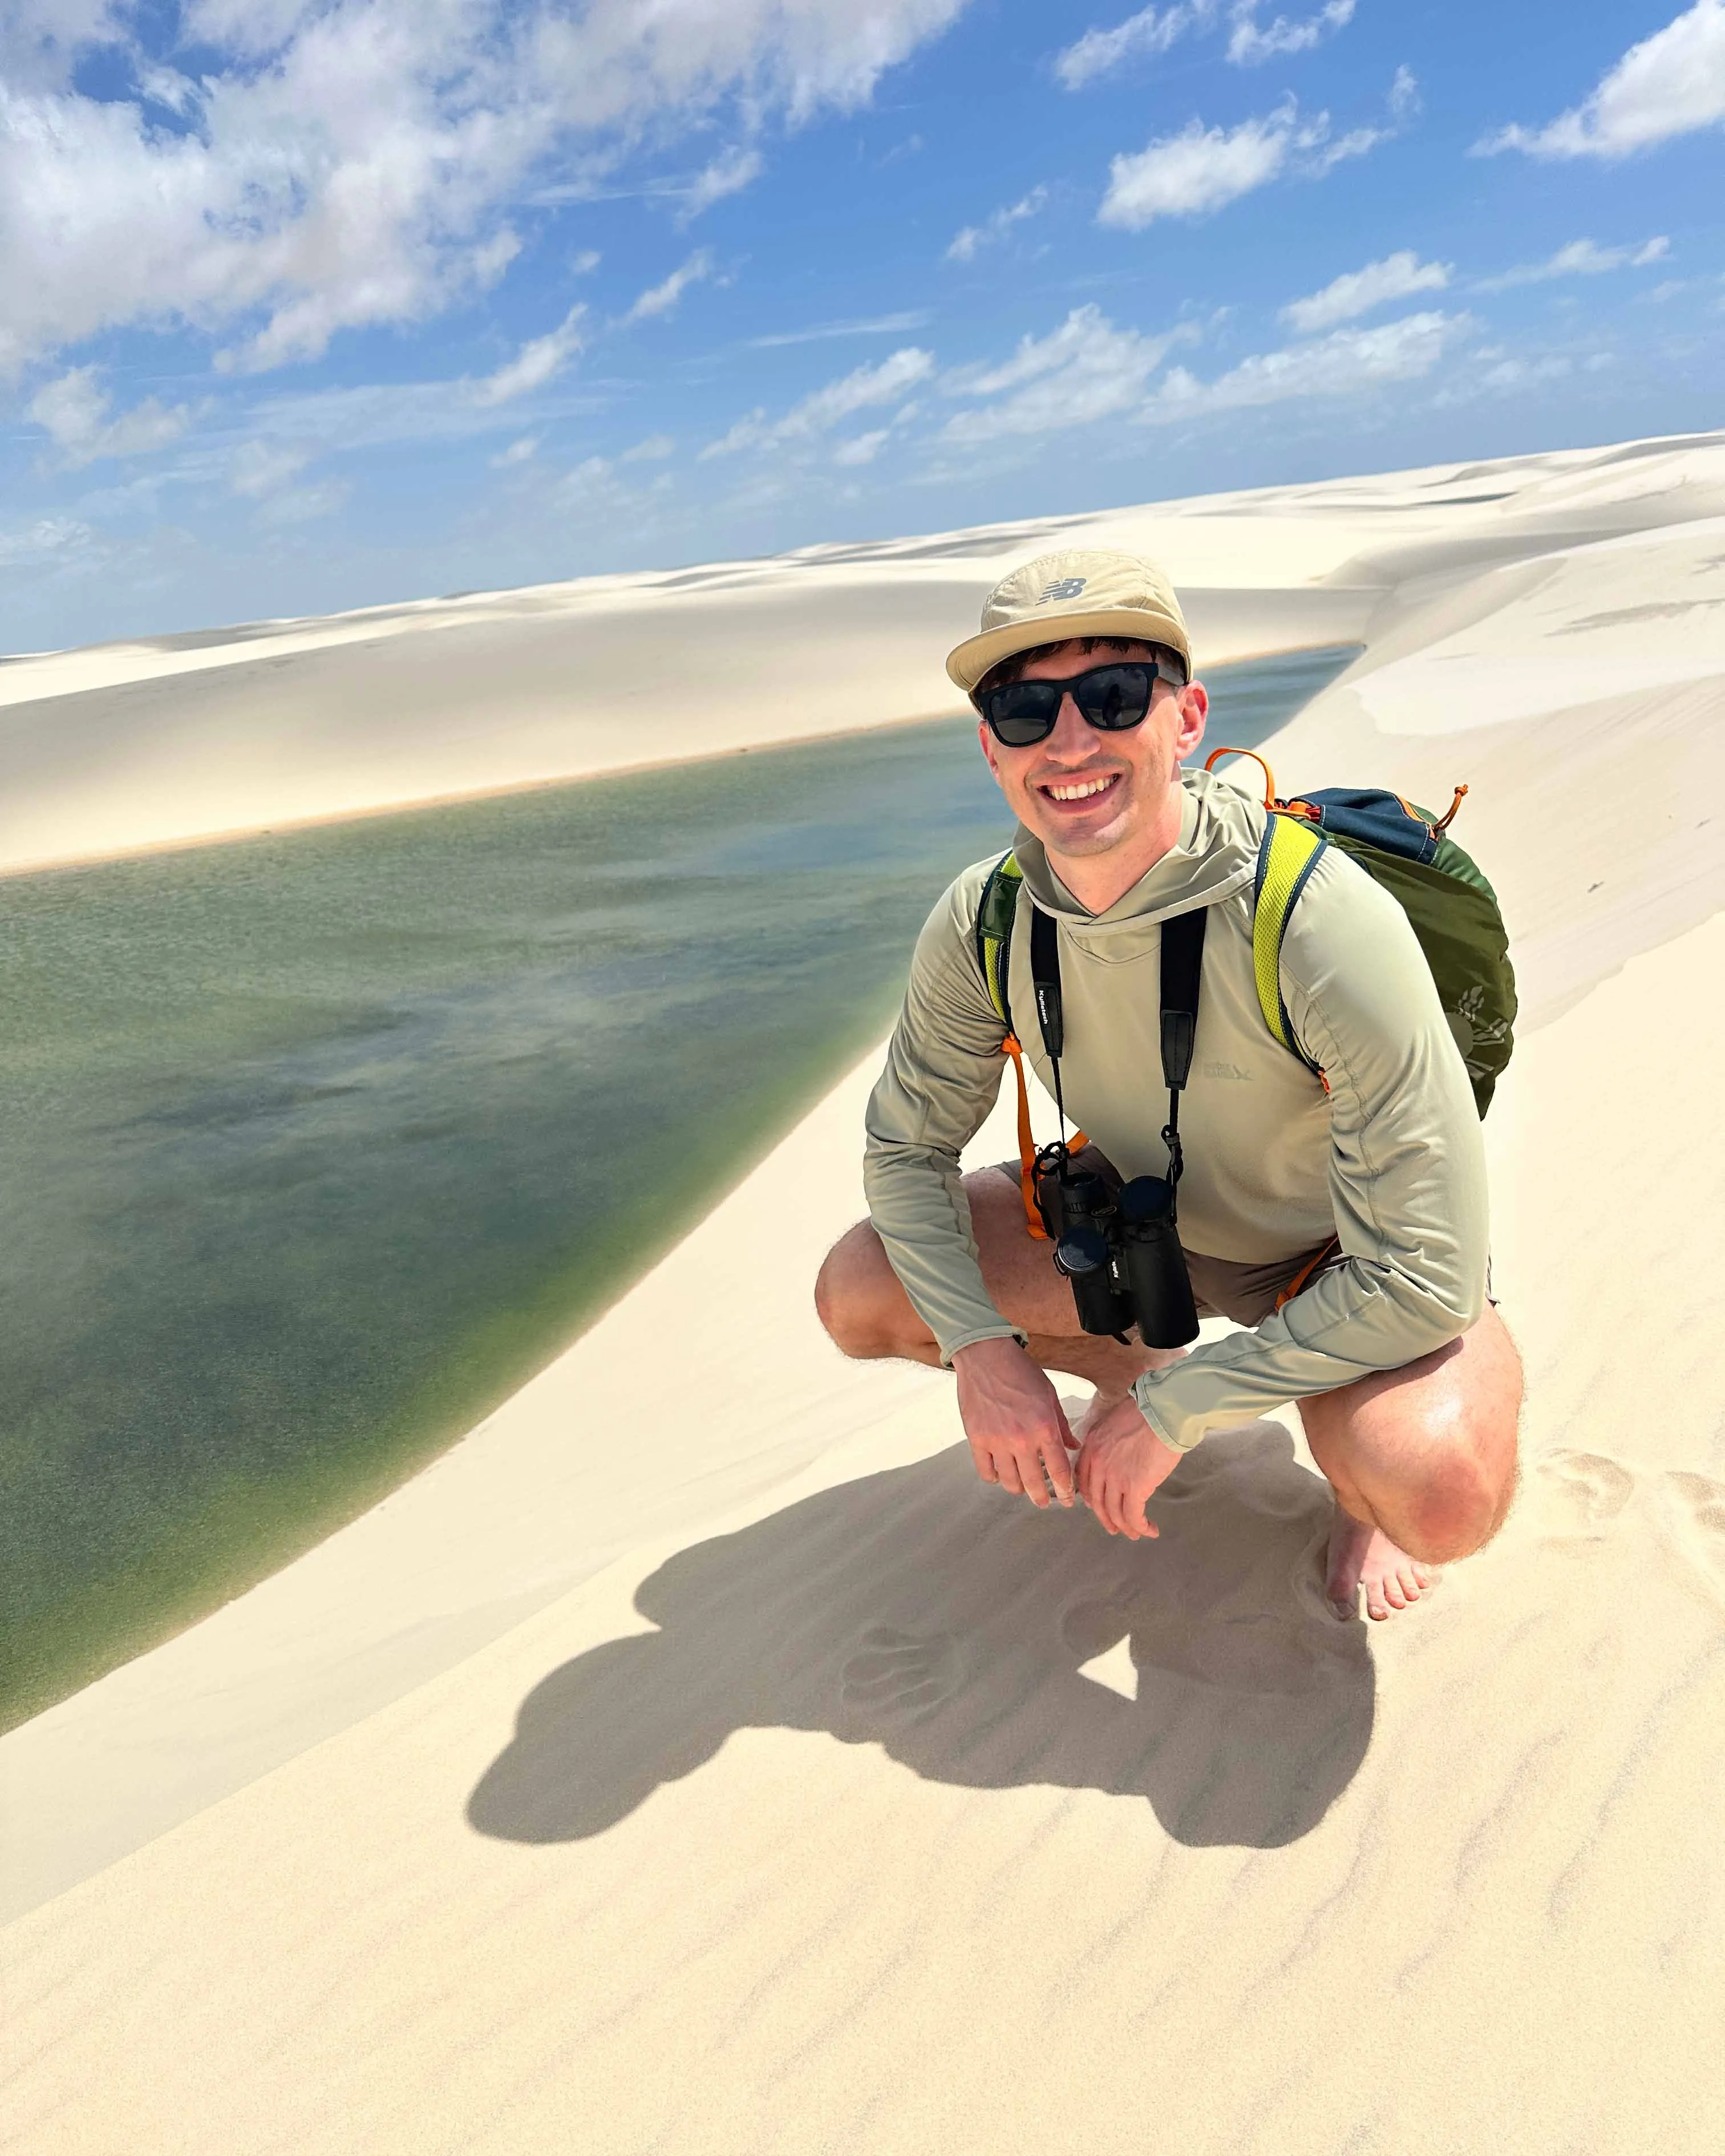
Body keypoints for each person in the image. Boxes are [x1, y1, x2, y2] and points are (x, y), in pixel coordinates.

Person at [814, 550, 1521, 1622]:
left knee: (1439, 1487)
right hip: (1147, 1228)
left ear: (1185, 718)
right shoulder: (987, 919)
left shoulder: (1313, 915)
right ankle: (1128, 1368)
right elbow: (906, 1154)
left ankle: (1342, 1487)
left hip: (1336, 1255)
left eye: (1110, 694)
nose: (1069, 741)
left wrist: (1190, 1407)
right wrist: (982, 1352)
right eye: (1022, 709)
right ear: (989, 750)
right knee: (863, 1292)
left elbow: (1424, 1275)